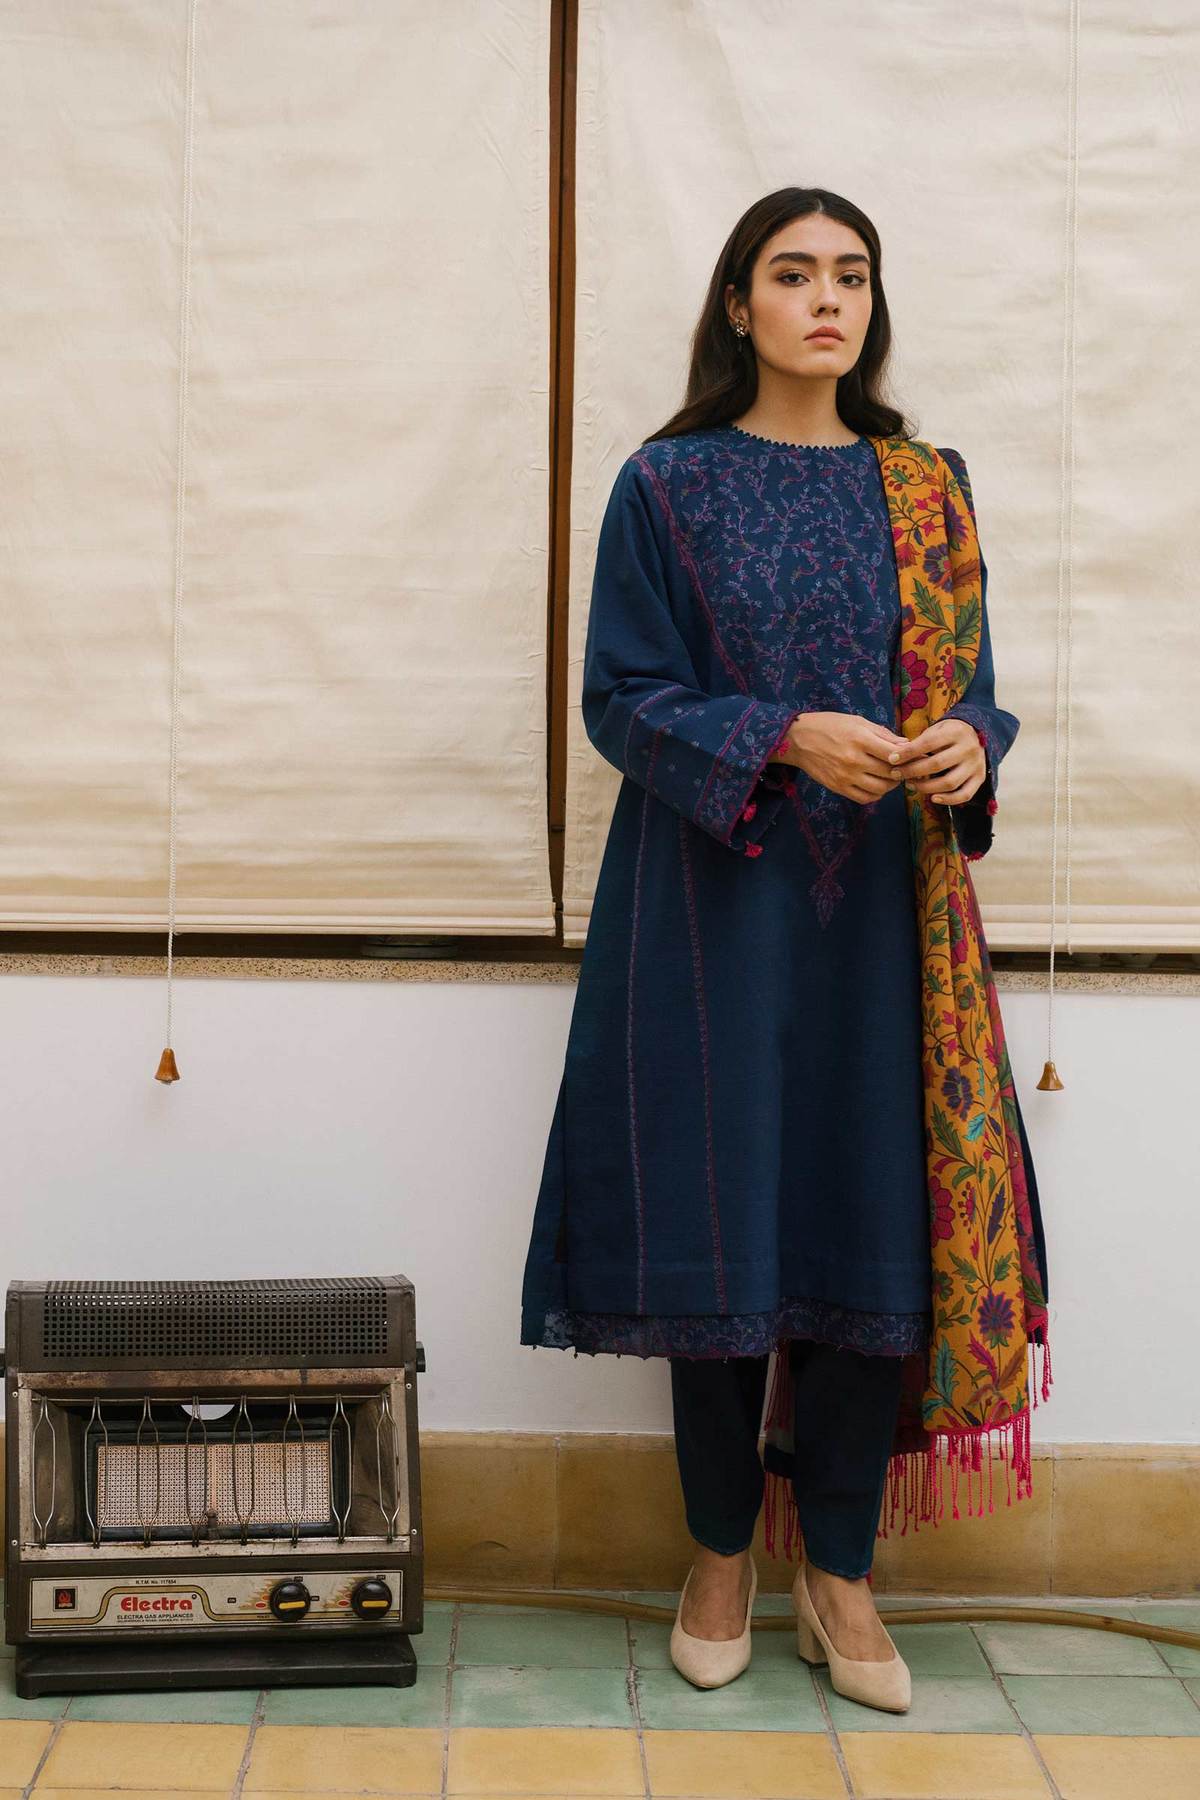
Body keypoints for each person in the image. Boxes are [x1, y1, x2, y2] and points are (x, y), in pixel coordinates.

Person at [519, 186, 1049, 1712]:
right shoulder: (666, 485)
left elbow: (975, 686)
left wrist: (969, 743)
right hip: (714, 908)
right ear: (737, 304)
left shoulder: (927, 488)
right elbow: (620, 696)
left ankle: (841, 1571)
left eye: (852, 275)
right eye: (794, 273)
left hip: (889, 918)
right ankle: (715, 1556)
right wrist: (781, 737)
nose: (827, 299)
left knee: (873, 1215)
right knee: (722, 1218)